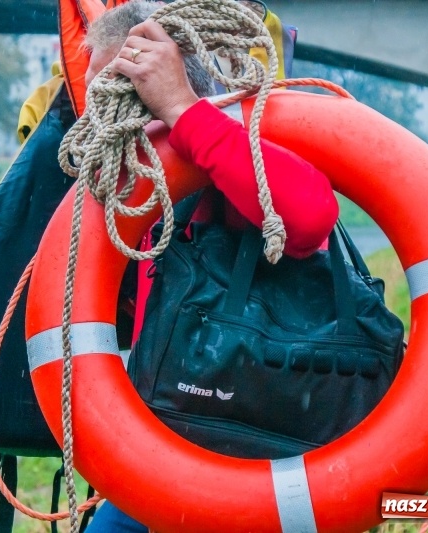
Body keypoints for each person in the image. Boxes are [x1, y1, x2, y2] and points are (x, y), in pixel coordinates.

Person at [81, 2, 338, 531]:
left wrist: (183, 111)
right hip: (171, 454)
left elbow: (309, 218)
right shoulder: (133, 193)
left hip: (272, 458)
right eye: (93, 98)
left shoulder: (239, 148)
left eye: (116, 96)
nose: (97, 118)